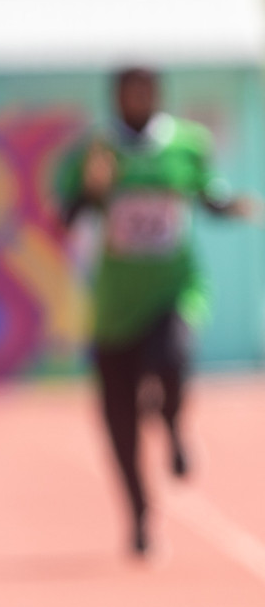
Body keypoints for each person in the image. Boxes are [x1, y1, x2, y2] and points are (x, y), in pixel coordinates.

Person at [56, 67, 259, 557]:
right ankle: (141, 518)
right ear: (115, 98)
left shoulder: (186, 144)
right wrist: (92, 190)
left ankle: (171, 424)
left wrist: (231, 206)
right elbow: (70, 215)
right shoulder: (95, 151)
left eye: (146, 91)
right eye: (129, 92)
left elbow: (207, 195)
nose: (138, 100)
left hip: (174, 286)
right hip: (115, 302)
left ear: (158, 95)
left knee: (173, 358)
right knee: (119, 421)